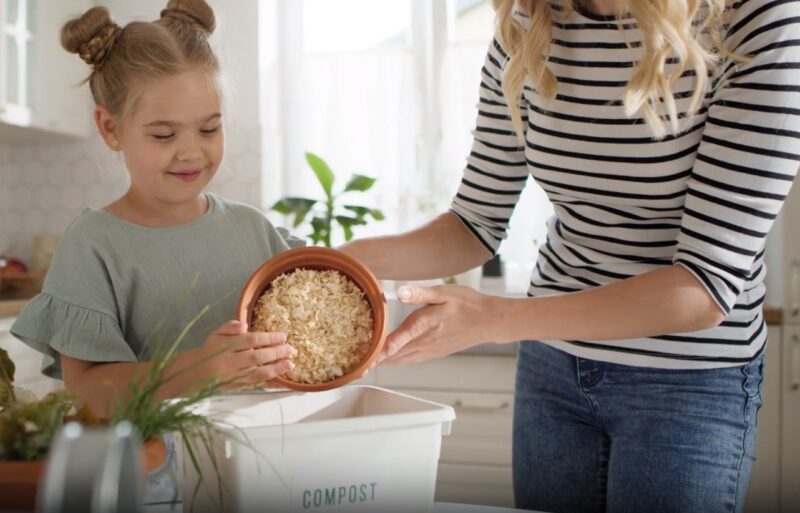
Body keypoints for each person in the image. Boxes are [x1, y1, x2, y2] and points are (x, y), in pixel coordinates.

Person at [340, 0, 800, 511]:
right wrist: (336, 261)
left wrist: (496, 319)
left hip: (686, 385)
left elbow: (702, 288)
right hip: (553, 371)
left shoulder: (757, 21)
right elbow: (473, 223)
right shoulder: (529, 21)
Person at [11, 0, 296, 418]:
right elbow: (87, 390)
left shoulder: (253, 229)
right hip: (151, 470)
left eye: (209, 128)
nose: (191, 151)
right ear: (111, 128)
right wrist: (199, 369)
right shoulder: (93, 244)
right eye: (164, 135)